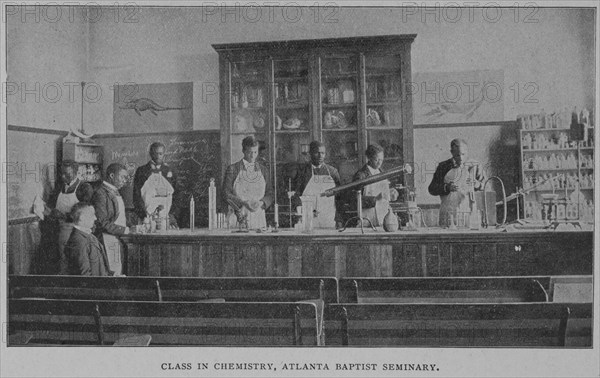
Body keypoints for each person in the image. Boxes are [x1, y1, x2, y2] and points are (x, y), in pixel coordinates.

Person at [47, 161, 94, 274]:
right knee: (62, 260)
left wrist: (63, 215)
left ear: (76, 172)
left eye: (67, 174)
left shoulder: (84, 187)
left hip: (76, 231)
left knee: (74, 262)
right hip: (60, 229)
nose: (63, 177)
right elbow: (52, 204)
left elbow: (85, 212)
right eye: (61, 174)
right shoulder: (60, 187)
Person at [428, 139, 485, 227]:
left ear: (467, 151)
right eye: (457, 155)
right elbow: (432, 189)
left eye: (463, 154)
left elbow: (485, 185)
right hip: (448, 213)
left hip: (469, 212)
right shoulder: (443, 166)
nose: (461, 158)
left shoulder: (475, 166)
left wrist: (477, 184)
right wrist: (447, 187)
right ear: (452, 152)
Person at [222, 136, 273, 229]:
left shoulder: (264, 170)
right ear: (243, 151)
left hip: (258, 218)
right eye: (250, 152)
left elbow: (270, 194)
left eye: (255, 152)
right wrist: (243, 202)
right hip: (238, 216)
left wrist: (261, 203)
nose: (253, 156)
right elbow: (226, 193)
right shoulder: (233, 169)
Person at [291, 141, 342, 228]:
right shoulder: (303, 172)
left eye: (322, 153)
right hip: (308, 217)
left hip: (329, 218)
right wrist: (300, 212)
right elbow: (296, 195)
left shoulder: (332, 172)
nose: (320, 156)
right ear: (310, 154)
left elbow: (339, 198)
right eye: (316, 153)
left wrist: (339, 219)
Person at [92, 163, 130, 275]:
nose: (125, 180)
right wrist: (125, 230)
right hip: (108, 238)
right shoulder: (101, 193)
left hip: (117, 236)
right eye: (122, 177)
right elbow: (102, 222)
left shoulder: (114, 191)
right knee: (113, 272)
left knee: (117, 269)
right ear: (112, 176)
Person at [352, 144, 399, 227]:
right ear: (369, 158)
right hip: (367, 219)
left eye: (381, 159)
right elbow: (354, 200)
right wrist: (376, 199)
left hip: (382, 217)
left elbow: (384, 191)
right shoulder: (361, 175)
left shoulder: (381, 172)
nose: (379, 162)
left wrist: (392, 192)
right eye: (376, 159)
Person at [133, 142, 178, 227]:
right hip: (147, 218)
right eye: (155, 153)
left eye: (160, 154)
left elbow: (177, 195)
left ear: (164, 154)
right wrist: (144, 215)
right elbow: (136, 196)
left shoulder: (170, 170)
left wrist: (172, 215)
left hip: (167, 217)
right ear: (150, 154)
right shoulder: (141, 171)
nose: (158, 156)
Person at [64, 202, 114, 276]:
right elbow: (84, 276)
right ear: (82, 218)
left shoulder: (89, 236)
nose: (95, 218)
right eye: (92, 215)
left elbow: (101, 269)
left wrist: (113, 276)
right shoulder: (78, 241)